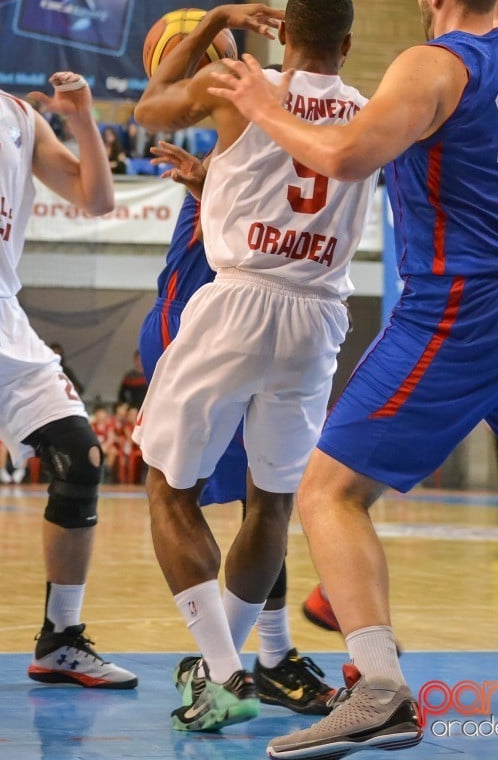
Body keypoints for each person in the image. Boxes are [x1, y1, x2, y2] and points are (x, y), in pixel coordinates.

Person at [209, 0, 498, 757]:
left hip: (470, 303)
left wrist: (260, 102)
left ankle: (379, 686)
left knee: (330, 492)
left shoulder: (433, 62)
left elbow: (339, 156)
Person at [132, 0, 376, 732]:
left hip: (238, 301)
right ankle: (226, 671)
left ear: (281, 36)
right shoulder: (370, 106)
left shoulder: (243, 83)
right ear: (347, 44)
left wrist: (211, 21)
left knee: (168, 489)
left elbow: (148, 109)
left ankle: (226, 670)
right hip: (319, 316)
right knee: (270, 502)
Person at [0, 0, 137, 705]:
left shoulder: (23, 119)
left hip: (2, 313)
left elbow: (96, 198)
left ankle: (61, 640)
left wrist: (83, 116)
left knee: (82, 457)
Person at [138, 153, 335, 714]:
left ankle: (251, 664)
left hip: (261, 316)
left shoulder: (275, 128)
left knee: (266, 500)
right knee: (243, 499)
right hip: (202, 320)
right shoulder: (245, 138)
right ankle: (244, 663)